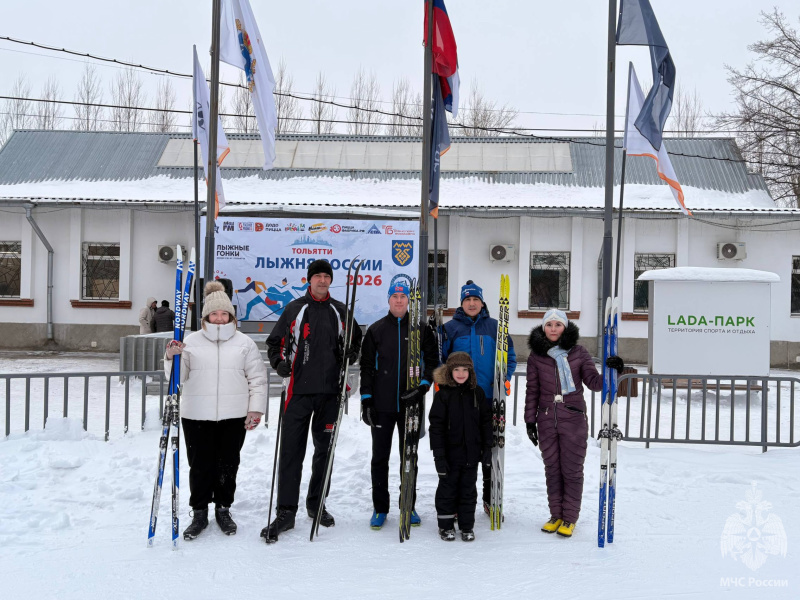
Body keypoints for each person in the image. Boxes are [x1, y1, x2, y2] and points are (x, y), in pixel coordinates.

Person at [260, 259, 362, 541]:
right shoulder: (295, 308)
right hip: (298, 393)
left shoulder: (340, 310)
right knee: (292, 451)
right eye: (317, 276)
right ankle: (286, 511)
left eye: (326, 277)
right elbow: (274, 343)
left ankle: (316, 504)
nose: (322, 281)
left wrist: (350, 354)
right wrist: (279, 363)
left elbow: (356, 340)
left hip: (330, 393)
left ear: (331, 281)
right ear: (309, 280)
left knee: (324, 452)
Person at [164, 281, 267, 540]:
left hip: (233, 416)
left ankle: (223, 508)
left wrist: (255, 410)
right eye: (214, 314)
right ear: (206, 316)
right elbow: (178, 378)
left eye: (224, 314)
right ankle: (199, 512)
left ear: (231, 316)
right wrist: (171, 357)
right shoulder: (190, 341)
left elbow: (257, 379)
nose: (219, 319)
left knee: (227, 465)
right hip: (196, 414)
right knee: (200, 466)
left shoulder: (245, 343)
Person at [524, 309, 624, 538]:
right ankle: (555, 515)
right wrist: (530, 421)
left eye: (557, 325)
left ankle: (569, 518)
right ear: (543, 327)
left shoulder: (578, 353)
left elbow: (595, 383)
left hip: (574, 420)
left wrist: (613, 370)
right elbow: (533, 390)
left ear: (565, 327)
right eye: (549, 325)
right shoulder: (536, 356)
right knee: (552, 470)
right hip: (547, 420)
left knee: (571, 471)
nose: (553, 329)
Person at [359, 282, 439, 530]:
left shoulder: (421, 330)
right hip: (382, 405)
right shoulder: (375, 330)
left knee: (409, 457)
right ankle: (380, 508)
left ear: (409, 301)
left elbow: (433, 362)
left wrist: (423, 386)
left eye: (403, 297)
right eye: (394, 296)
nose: (399, 300)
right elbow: (367, 368)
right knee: (379, 458)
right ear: (388, 300)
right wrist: (366, 400)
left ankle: (408, 504)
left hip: (410, 405)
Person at [440, 280, 517, 515]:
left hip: (487, 398)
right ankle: (457, 500)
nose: (472, 303)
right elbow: (441, 361)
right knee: (459, 450)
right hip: (459, 402)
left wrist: (504, 379)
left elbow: (510, 358)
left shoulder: (495, 326)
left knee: (488, 448)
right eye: (467, 300)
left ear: (482, 303)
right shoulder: (450, 328)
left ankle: (489, 497)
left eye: (475, 299)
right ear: (461, 303)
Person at [429, 352, 492, 542]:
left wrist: (487, 447)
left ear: (471, 372)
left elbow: (486, 422)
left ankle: (466, 526)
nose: (461, 373)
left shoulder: (478, 393)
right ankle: (445, 526)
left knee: (468, 491)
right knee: (447, 490)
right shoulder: (443, 395)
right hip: (449, 455)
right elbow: (436, 427)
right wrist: (439, 456)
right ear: (450, 371)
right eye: (457, 369)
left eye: (465, 370)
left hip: (471, 455)